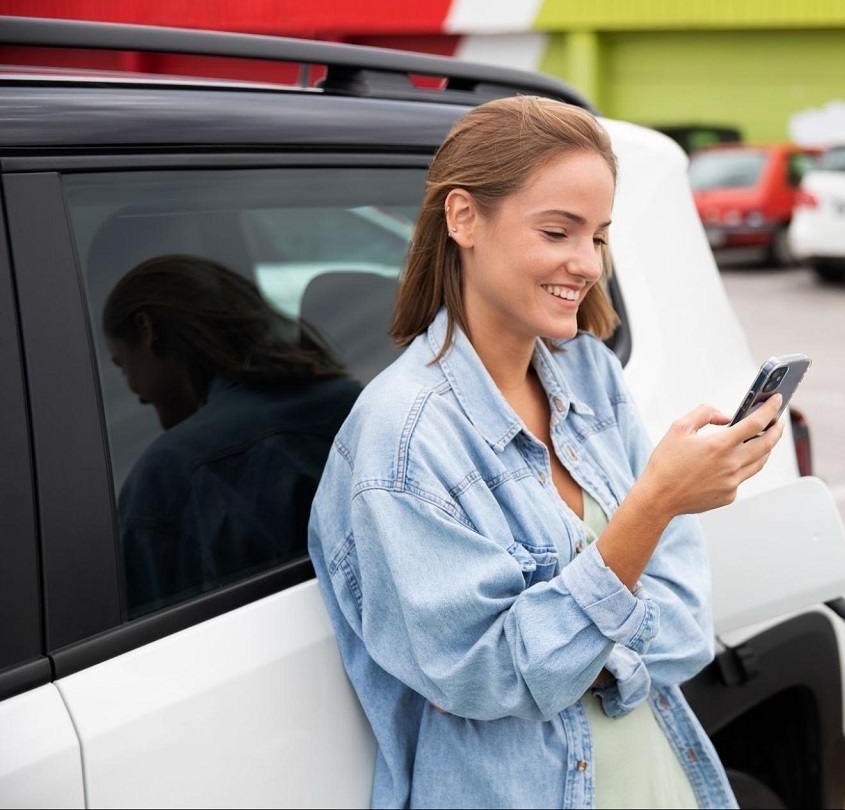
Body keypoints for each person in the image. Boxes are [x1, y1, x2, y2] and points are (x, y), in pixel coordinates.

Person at [307, 96, 786, 809]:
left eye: (598, 236)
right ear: (463, 218)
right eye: (559, 231)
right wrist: (654, 503)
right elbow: (493, 679)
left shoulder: (588, 371)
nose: (588, 263)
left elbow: (686, 626)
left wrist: (577, 657)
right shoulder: (401, 443)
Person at [102, 255, 362, 615]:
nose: (134, 390)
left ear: (147, 330)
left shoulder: (171, 473)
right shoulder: (361, 407)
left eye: (122, 365)